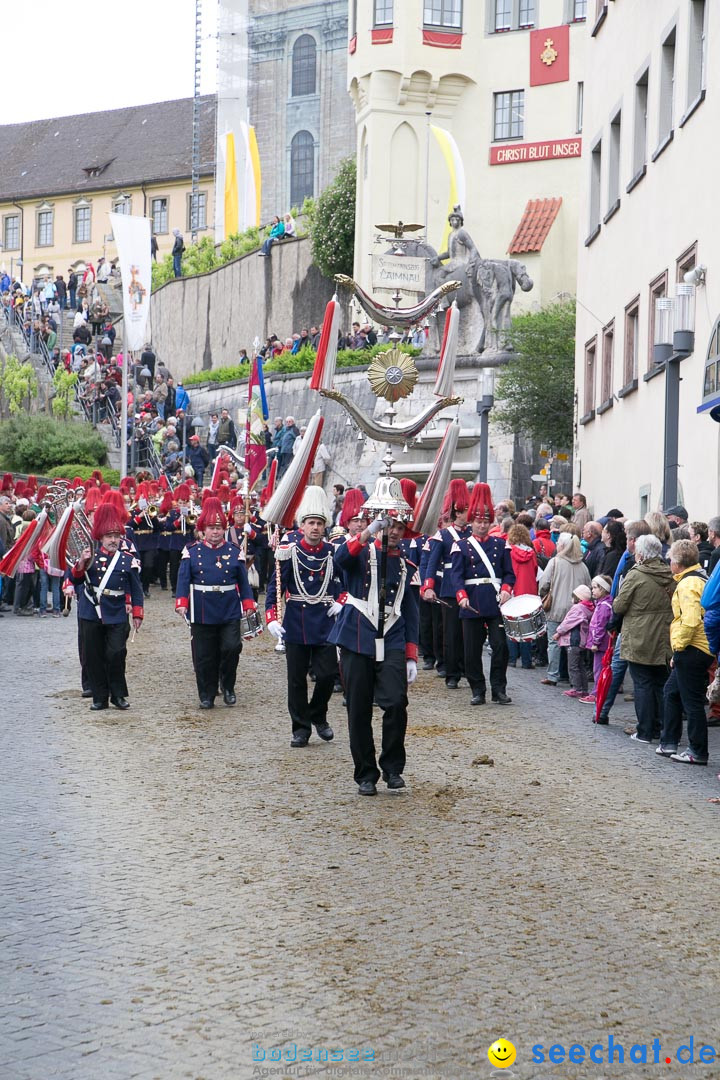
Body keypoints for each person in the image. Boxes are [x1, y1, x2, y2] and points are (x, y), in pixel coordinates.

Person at [330, 488, 419, 795]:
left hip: (392, 635)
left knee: (396, 702)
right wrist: (369, 531)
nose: (395, 532)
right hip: (357, 634)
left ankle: (392, 767)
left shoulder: (406, 564)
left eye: (399, 527)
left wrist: (411, 654)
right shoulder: (360, 550)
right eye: (390, 525)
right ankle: (366, 773)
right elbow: (341, 558)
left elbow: (410, 610)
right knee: (358, 709)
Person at [266, 487, 342, 747]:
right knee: (296, 679)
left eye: (320, 523)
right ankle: (300, 728)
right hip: (297, 621)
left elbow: (343, 583)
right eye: (311, 523)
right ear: (303, 525)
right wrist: (272, 618)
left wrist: (341, 602)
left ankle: (318, 715)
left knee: (327, 674)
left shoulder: (332, 551)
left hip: (325, 621)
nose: (315, 528)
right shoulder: (290, 549)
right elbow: (274, 585)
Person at [175, 497, 257, 709]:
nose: (215, 532)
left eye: (219, 528)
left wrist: (248, 603)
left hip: (229, 608)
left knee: (232, 647)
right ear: (203, 529)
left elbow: (243, 581)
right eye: (211, 528)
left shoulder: (233, 551)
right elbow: (183, 579)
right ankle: (207, 694)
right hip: (202, 609)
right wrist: (181, 601)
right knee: (204, 655)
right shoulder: (191, 552)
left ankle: (228, 686)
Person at [66, 503, 144, 711]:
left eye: (116, 535)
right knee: (94, 655)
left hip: (117, 611)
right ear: (101, 537)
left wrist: (137, 613)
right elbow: (76, 579)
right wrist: (81, 564)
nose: (113, 540)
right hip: (91, 611)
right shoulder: (89, 556)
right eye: (109, 536)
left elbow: (136, 589)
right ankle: (99, 697)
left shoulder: (128, 560)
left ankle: (118, 695)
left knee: (117, 653)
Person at [449, 483, 515, 706]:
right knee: (471, 651)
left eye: (486, 521)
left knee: (500, 647)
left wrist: (506, 589)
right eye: (478, 521)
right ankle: (478, 689)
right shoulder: (461, 545)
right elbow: (456, 576)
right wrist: (461, 595)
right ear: (472, 522)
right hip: (472, 601)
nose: (482, 525)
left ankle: (499, 689)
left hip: (496, 601)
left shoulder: (500, 544)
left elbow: (508, 573)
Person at [612, 534, 674, 744]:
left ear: (640, 553)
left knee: (643, 684)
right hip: (664, 637)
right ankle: (663, 729)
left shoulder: (636, 575)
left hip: (640, 636)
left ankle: (645, 731)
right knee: (661, 684)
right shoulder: (669, 573)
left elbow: (619, 605)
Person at [656, 540, 712, 764]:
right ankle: (669, 741)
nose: (669, 564)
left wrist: (678, 646)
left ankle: (697, 751)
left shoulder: (687, 585)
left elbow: (690, 620)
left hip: (693, 648)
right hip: (698, 647)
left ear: (678, 563)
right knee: (671, 692)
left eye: (671, 560)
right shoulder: (700, 578)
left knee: (692, 702)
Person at [422, 479, 471, 690]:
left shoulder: (471, 534)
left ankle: (468, 669)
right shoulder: (443, 535)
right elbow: (432, 563)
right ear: (457, 512)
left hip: (469, 586)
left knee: (468, 634)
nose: (468, 513)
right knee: (451, 633)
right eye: (465, 510)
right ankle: (452, 673)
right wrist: (428, 586)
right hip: (450, 588)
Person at [538, 533, 591, 688]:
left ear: (561, 545)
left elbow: (544, 584)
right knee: (574, 645)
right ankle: (570, 676)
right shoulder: (583, 566)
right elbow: (588, 588)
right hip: (577, 612)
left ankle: (553, 675)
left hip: (557, 609)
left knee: (554, 643)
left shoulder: (555, 562)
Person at [506, 522, 539, 670]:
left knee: (512, 626)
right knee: (526, 629)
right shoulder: (531, 553)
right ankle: (526, 661)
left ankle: (512, 658)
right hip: (528, 592)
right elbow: (535, 570)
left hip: (513, 590)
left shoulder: (509, 552)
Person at [553, 585, 594, 699]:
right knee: (581, 666)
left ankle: (576, 688)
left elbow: (568, 622)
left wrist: (558, 632)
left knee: (573, 666)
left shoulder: (578, 608)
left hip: (573, 641)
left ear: (578, 598)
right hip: (582, 642)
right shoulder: (589, 608)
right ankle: (584, 689)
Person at [582, 575, 614, 703]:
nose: (592, 590)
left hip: (601, 644)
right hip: (602, 643)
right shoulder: (601, 604)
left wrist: (595, 642)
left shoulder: (604, 607)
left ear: (603, 589)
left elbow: (600, 626)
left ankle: (597, 693)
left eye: (595, 588)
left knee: (599, 669)